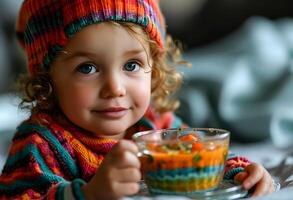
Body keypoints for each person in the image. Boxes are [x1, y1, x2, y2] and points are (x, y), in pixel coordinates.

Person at [0, 0, 275, 199]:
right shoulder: (40, 143)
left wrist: (240, 173)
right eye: (87, 68)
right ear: (48, 81)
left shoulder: (155, 127)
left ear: (154, 70)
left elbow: (200, 161)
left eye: (131, 65)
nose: (115, 88)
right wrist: (90, 194)